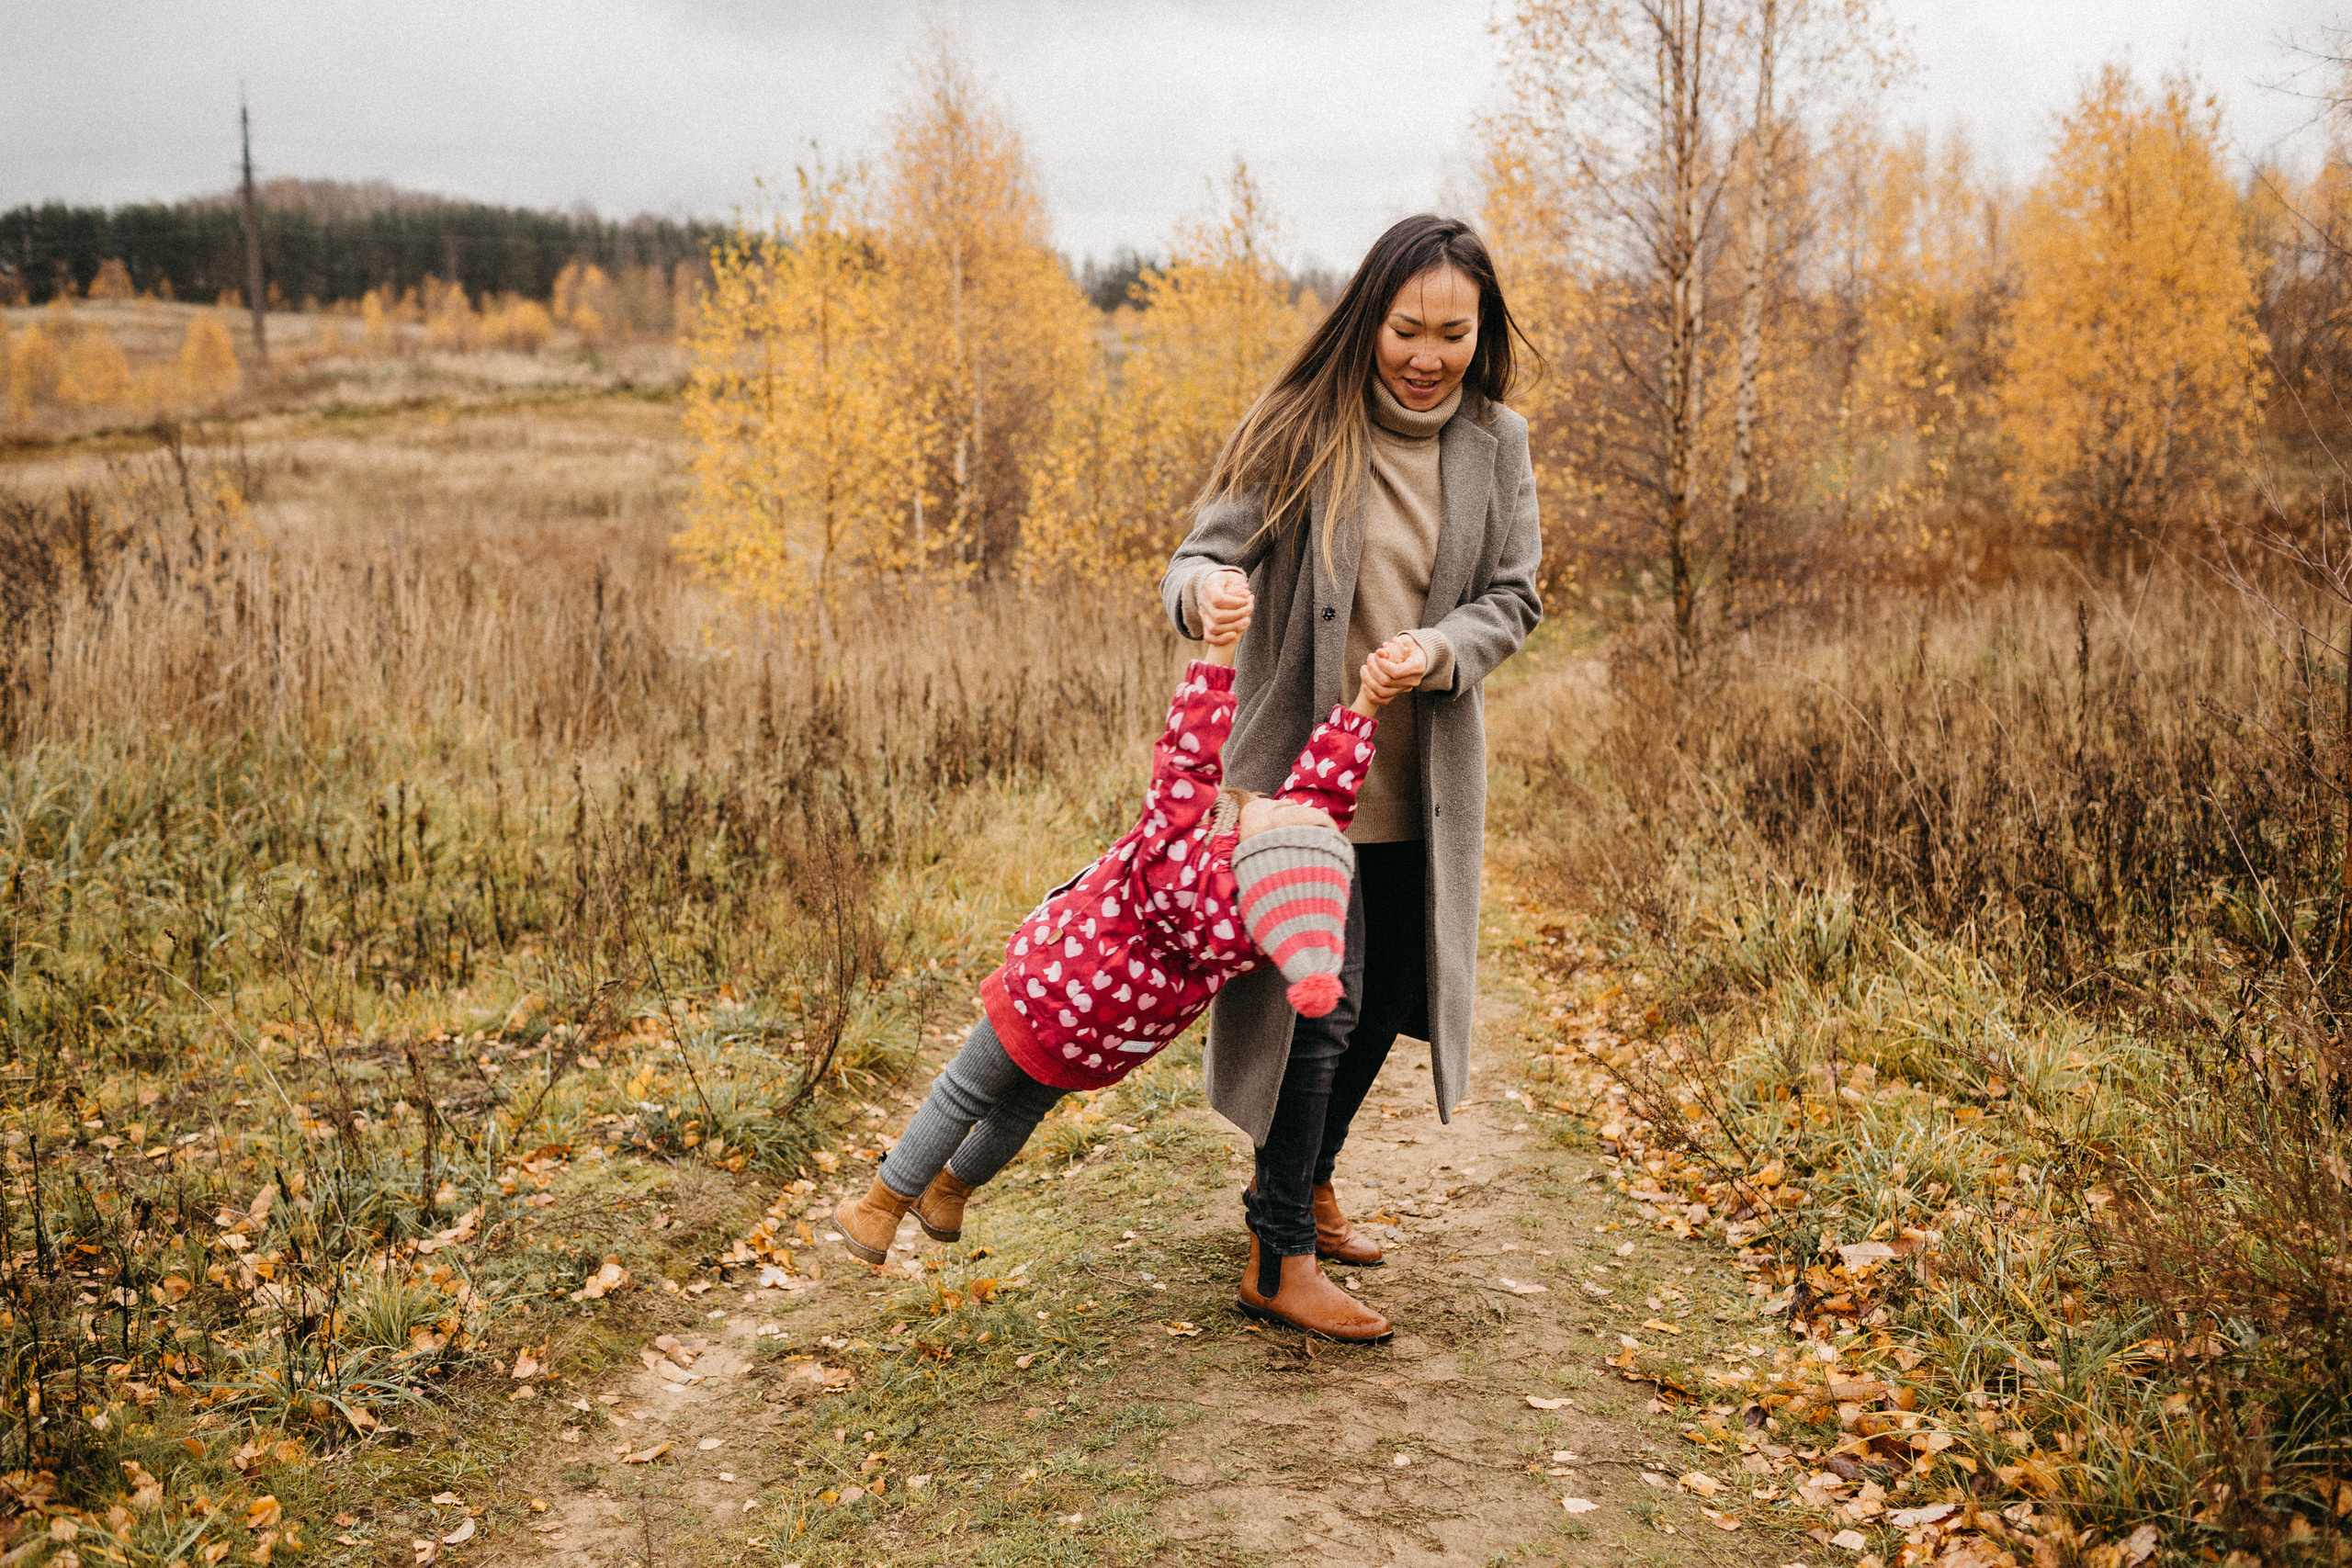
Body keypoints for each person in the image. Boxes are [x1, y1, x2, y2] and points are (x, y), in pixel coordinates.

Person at [1160, 214, 1543, 1340]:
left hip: (1416, 775)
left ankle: (1303, 1182)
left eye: (1453, 334)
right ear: (1367, 318)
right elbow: (1199, 554)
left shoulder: (1495, 442)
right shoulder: (1297, 429)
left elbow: (1514, 599)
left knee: (1379, 1008)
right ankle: (1275, 1254)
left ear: (1483, 333)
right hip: (1298, 781)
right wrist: (1207, 597)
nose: (1427, 355)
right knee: (1318, 1012)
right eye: (1406, 329)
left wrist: (1439, 651)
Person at [831, 606, 1417, 1334]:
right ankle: (950, 1191)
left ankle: (881, 1207)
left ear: (1259, 852)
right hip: (1108, 1041)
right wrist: (1366, 704)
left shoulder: (1178, 856)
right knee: (1023, 1105)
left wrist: (1218, 651)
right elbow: (1323, 793)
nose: (1282, 802)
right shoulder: (1263, 923)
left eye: (1279, 815)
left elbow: (1189, 754)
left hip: (1051, 989)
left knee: (965, 1087)